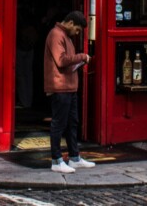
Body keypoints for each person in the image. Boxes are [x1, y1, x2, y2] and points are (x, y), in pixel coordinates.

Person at [44, 11, 95, 174]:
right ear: (71, 23)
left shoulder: (65, 36)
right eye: (78, 29)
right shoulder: (56, 35)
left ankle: (74, 157)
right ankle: (56, 160)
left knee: (72, 123)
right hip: (60, 87)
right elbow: (61, 60)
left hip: (69, 87)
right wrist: (81, 57)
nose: (78, 33)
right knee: (59, 124)